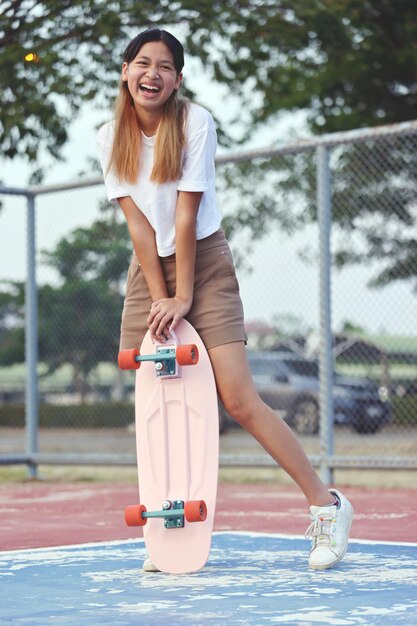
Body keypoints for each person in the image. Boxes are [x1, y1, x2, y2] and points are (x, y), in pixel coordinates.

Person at [96, 27, 353, 573]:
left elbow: (186, 215)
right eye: (143, 63)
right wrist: (161, 294)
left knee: (237, 398)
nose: (152, 74)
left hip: (204, 263)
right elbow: (140, 228)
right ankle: (172, 526)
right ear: (124, 71)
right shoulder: (108, 136)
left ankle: (327, 507)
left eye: (165, 66)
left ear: (177, 79)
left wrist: (184, 295)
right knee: (156, 397)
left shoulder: (194, 123)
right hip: (148, 270)